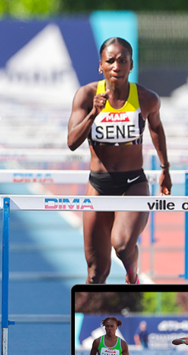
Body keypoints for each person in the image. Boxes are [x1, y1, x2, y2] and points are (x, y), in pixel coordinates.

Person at [68, 37, 171, 284]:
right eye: (110, 61)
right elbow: (72, 142)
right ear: (100, 66)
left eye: (122, 60)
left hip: (133, 183)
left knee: (122, 245)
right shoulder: (86, 95)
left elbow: (156, 128)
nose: (116, 66)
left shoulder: (146, 98)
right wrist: (93, 113)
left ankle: (132, 274)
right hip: (99, 185)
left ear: (131, 65)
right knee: (95, 273)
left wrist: (165, 168)